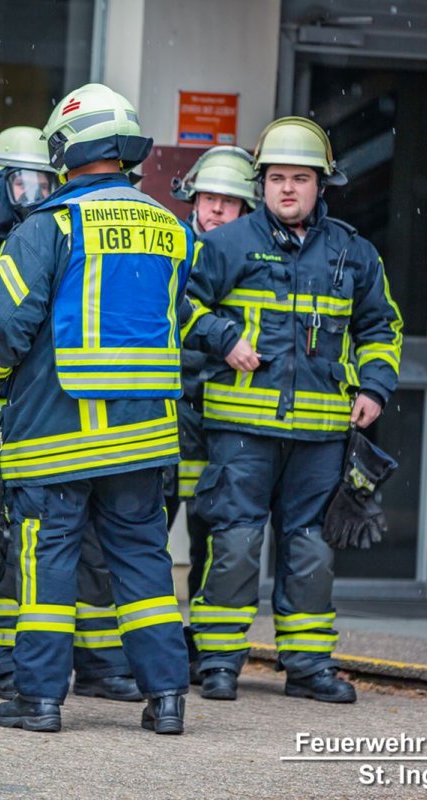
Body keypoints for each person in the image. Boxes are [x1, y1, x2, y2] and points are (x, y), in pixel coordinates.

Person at [0, 83, 193, 735]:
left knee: (47, 569)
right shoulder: (168, 228)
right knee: (144, 566)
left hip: (56, 435)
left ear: (64, 150)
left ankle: (38, 701)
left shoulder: (51, 227)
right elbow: (176, 315)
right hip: (143, 437)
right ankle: (167, 699)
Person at [185, 116, 403, 703]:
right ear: (261, 184)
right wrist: (223, 337)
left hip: (320, 435)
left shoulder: (354, 253)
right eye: (276, 178)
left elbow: (381, 326)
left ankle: (307, 668)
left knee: (311, 550)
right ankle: (218, 664)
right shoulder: (226, 245)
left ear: (321, 184)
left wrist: (374, 388)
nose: (287, 189)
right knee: (234, 546)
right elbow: (180, 308)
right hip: (240, 430)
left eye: (300, 179)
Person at [0, 125, 140, 703]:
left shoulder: (57, 231)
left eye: (41, 178)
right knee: (5, 538)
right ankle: (6, 659)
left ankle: (97, 664)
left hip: (46, 410)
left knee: (79, 548)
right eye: (21, 180)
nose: (33, 191)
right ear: (2, 183)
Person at [167, 146, 258, 678]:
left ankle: (202, 645)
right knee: (148, 530)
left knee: (214, 534)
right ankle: (144, 645)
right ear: (192, 198)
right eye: (209, 198)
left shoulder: (255, 257)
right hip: (169, 412)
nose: (217, 210)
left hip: (224, 416)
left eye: (229, 201)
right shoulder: (171, 245)